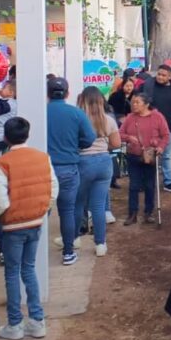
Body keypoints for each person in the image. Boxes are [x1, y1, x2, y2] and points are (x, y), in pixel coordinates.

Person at [0, 117, 59, 340]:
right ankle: (37, 321)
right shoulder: (42, 158)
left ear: (5, 137)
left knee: (12, 273)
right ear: (27, 134)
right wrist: (42, 210)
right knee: (29, 269)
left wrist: (1, 217)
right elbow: (53, 187)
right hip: (35, 222)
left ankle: (15, 324)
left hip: (13, 226)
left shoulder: (1, 164)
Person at [46, 77, 96, 265]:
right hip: (68, 167)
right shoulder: (76, 113)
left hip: (44, 167)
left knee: (42, 212)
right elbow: (89, 138)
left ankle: (36, 253)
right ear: (67, 93)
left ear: (47, 93)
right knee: (67, 211)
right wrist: (76, 145)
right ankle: (68, 252)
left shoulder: (41, 112)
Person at [75, 87, 121, 257]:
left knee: (78, 203)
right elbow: (116, 143)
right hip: (104, 162)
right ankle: (100, 243)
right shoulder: (108, 120)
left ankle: (74, 238)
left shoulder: (79, 119)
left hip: (83, 162)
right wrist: (102, 147)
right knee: (99, 206)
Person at [119, 93, 169, 225]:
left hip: (150, 156)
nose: (134, 105)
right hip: (133, 155)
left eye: (137, 102)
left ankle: (149, 212)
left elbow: (165, 135)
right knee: (133, 185)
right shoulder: (130, 118)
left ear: (146, 104)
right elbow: (120, 133)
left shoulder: (157, 117)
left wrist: (160, 147)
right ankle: (132, 213)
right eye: (133, 102)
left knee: (149, 185)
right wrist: (129, 138)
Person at [142, 64, 171, 193]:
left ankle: (168, 182)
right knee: (149, 155)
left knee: (167, 156)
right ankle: (147, 182)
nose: (160, 77)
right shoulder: (148, 86)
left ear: (169, 77)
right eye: (159, 74)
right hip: (151, 128)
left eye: (164, 75)